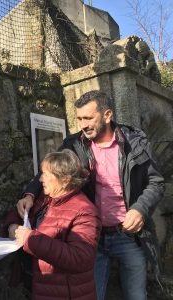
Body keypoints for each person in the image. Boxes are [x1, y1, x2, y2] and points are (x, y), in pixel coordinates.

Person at [17, 90, 165, 300]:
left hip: (129, 237)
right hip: (89, 239)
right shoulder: (73, 145)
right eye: (79, 118)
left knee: (136, 295)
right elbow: (49, 172)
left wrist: (140, 209)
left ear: (107, 115)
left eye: (88, 118)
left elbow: (156, 182)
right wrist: (30, 194)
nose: (83, 125)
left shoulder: (135, 142)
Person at [4, 149, 101, 299]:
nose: (41, 179)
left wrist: (30, 239)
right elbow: (20, 215)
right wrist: (12, 226)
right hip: (39, 286)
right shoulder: (45, 199)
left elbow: (80, 258)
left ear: (65, 180)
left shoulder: (85, 211)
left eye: (46, 175)